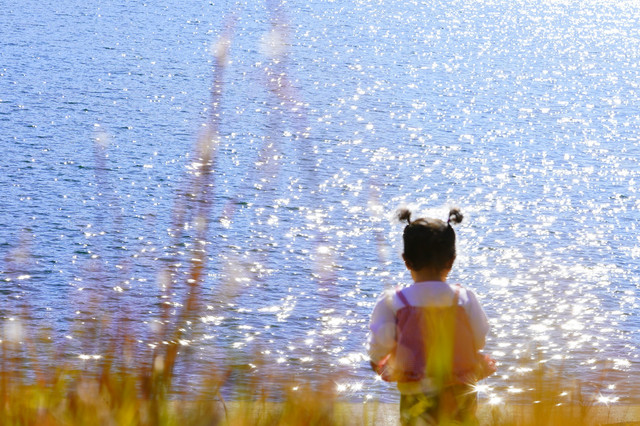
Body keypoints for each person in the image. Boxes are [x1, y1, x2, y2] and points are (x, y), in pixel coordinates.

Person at [368, 207, 495, 425]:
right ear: (451, 260)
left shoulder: (394, 301)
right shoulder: (464, 298)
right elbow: (479, 339)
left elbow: (378, 347)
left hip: (415, 391)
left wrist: (383, 361)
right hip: (460, 389)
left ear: (406, 260)